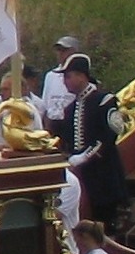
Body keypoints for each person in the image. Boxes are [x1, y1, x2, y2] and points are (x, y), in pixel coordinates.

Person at [55, 54, 131, 233]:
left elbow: (111, 133)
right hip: (81, 174)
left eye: (68, 76)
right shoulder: (70, 108)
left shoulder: (103, 101)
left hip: (103, 172)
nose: (65, 82)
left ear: (81, 76)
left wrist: (85, 156)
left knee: (105, 216)